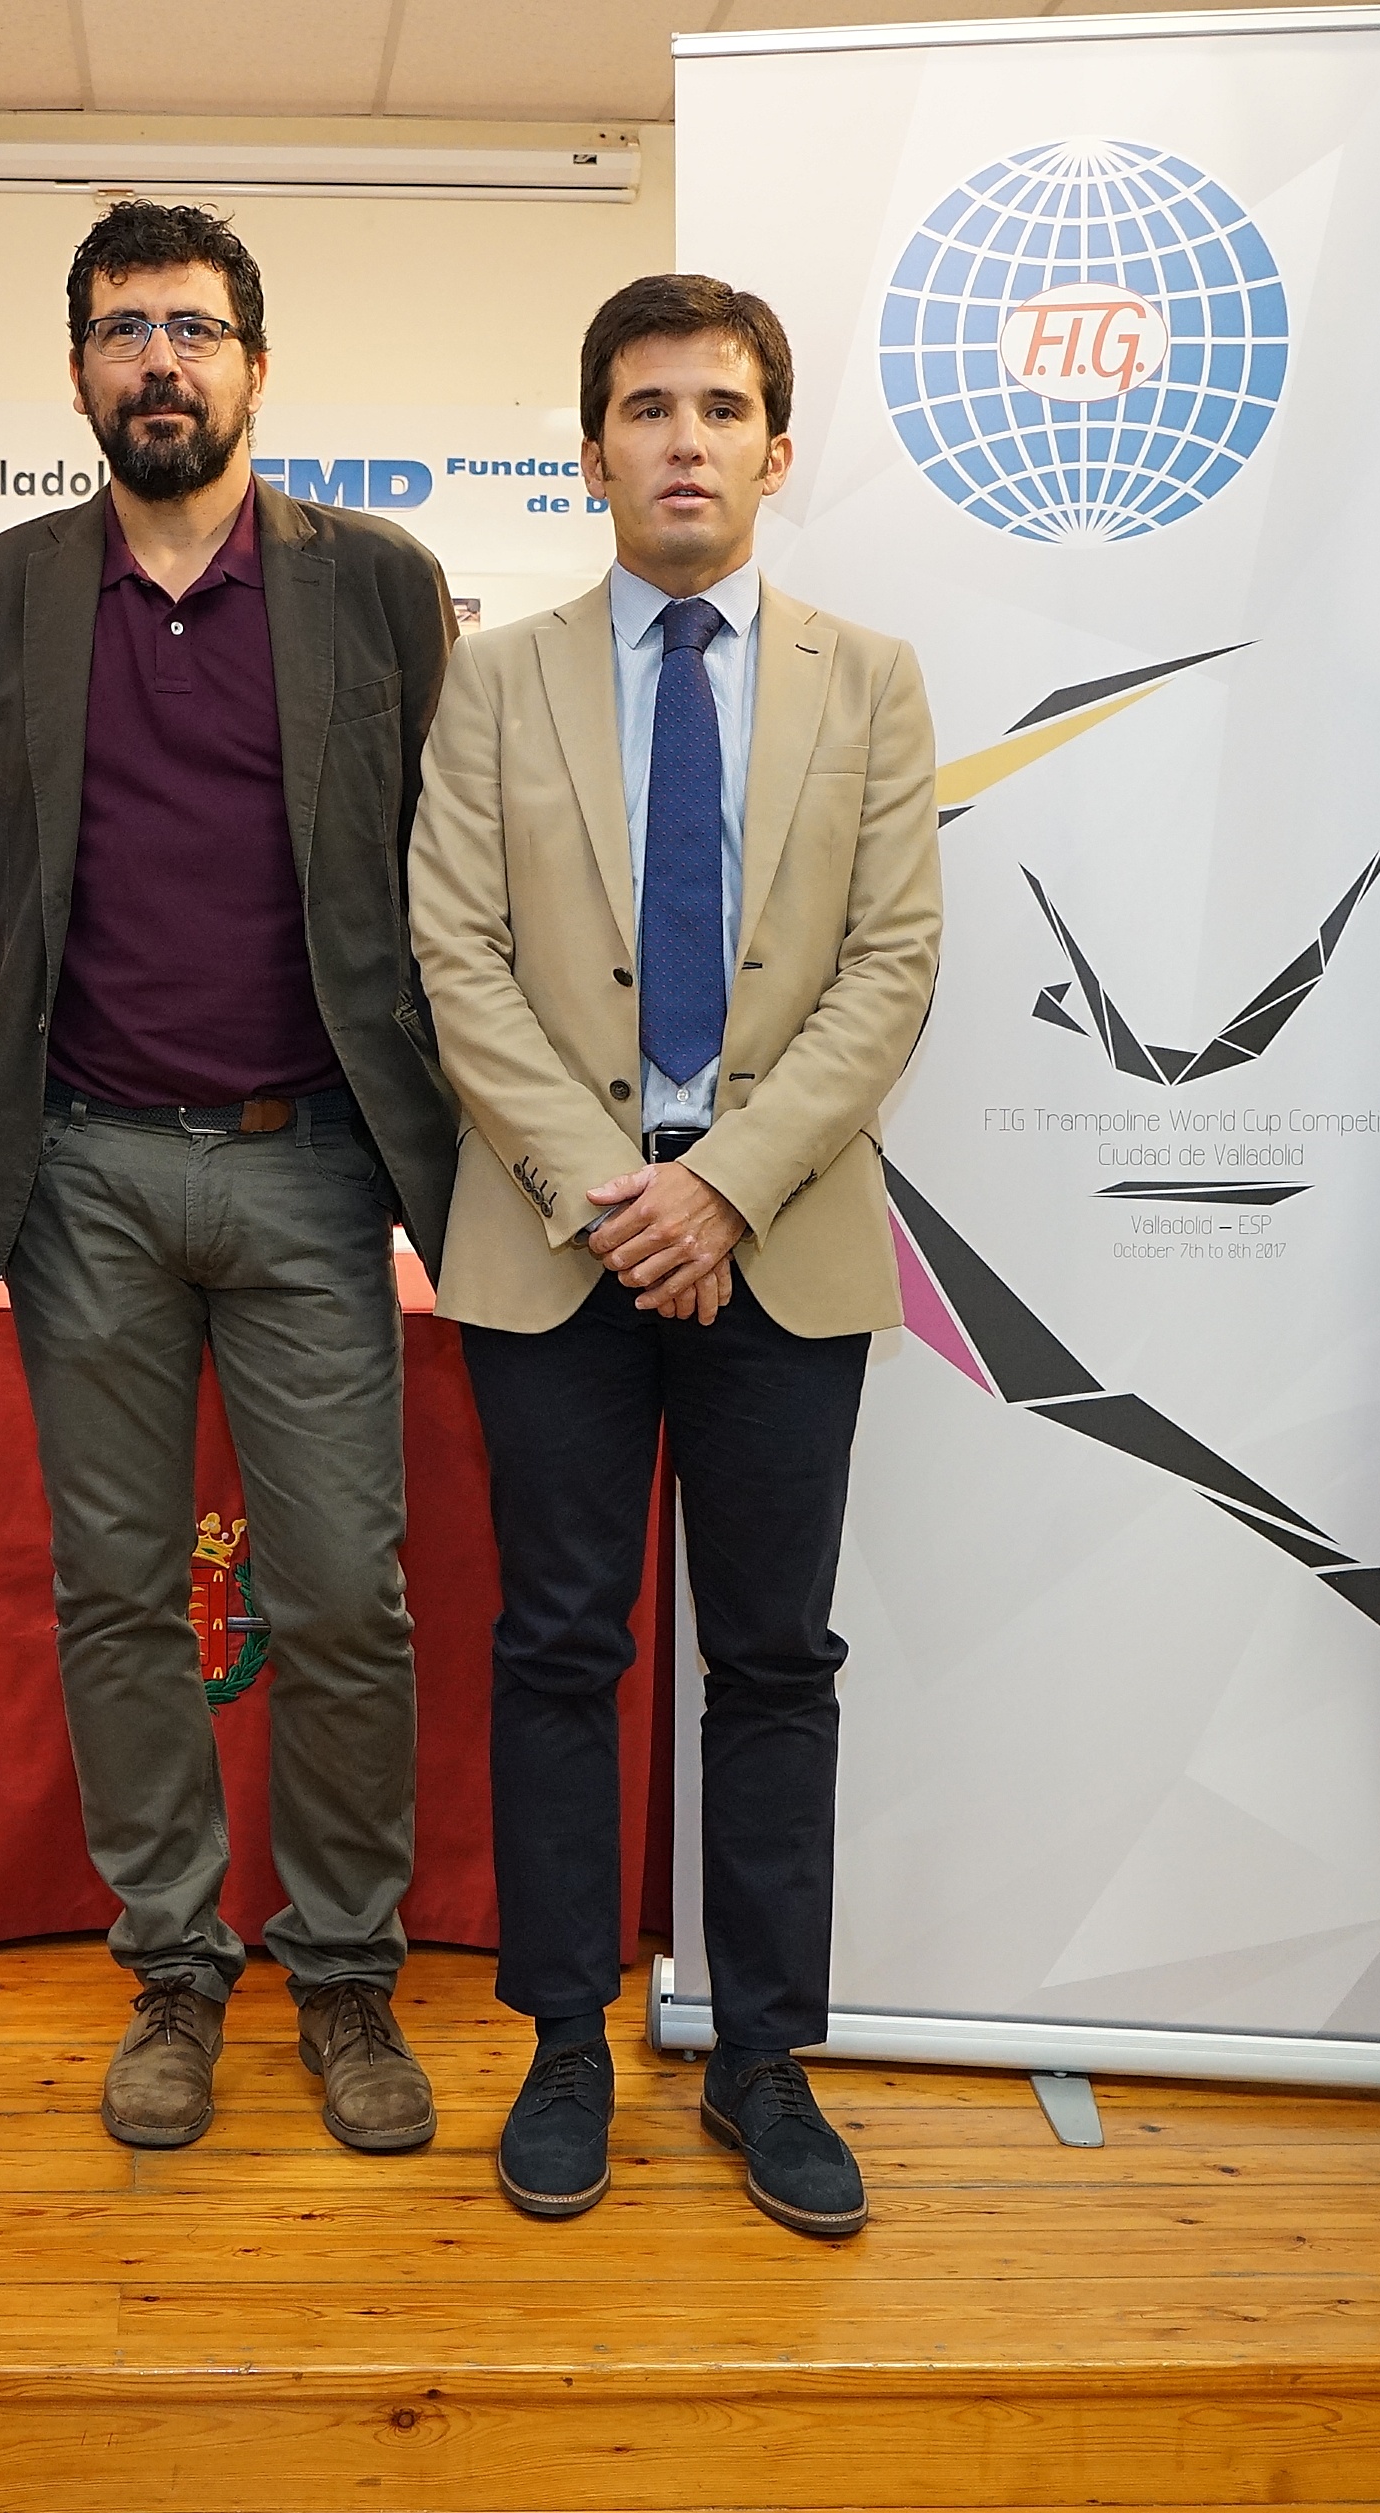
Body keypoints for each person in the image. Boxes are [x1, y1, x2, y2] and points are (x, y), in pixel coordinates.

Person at [407, 275, 941, 2236]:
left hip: (778, 1245)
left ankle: (763, 2060)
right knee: (558, 1646)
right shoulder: (495, 680)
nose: (684, 440)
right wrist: (615, 1194)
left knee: (774, 1657)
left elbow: (892, 965)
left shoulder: (868, 681)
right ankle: (563, 2041)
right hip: (555, 1246)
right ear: (592, 451)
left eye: (720, 408)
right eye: (646, 409)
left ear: (774, 451)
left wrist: (721, 1187)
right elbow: (455, 959)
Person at [0, 201, 460, 2155]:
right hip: (83, 1169)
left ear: (253, 364)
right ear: (77, 369)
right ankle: (171, 1965)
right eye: (122, 328)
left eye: (194, 329)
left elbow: (433, 865)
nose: (159, 360)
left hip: (308, 1165)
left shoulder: (376, 585)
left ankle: (345, 1974)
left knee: (342, 1600)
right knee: (115, 1598)